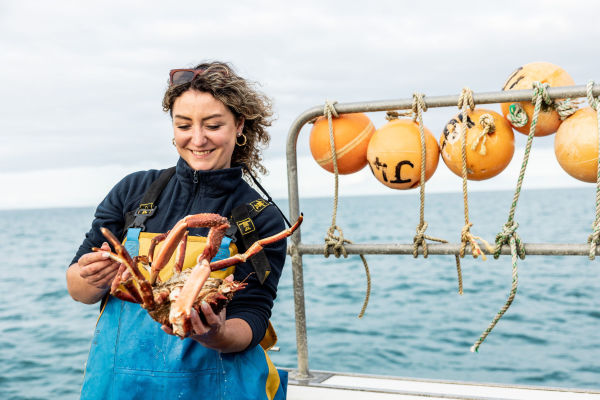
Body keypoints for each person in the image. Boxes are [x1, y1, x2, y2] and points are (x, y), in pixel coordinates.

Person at [66, 61, 289, 399]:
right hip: (117, 387)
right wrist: (91, 277)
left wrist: (216, 334)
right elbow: (78, 289)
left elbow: (253, 317)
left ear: (240, 125)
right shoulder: (133, 191)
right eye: (183, 125)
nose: (197, 139)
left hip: (216, 386)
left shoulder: (260, 216)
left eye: (213, 125)